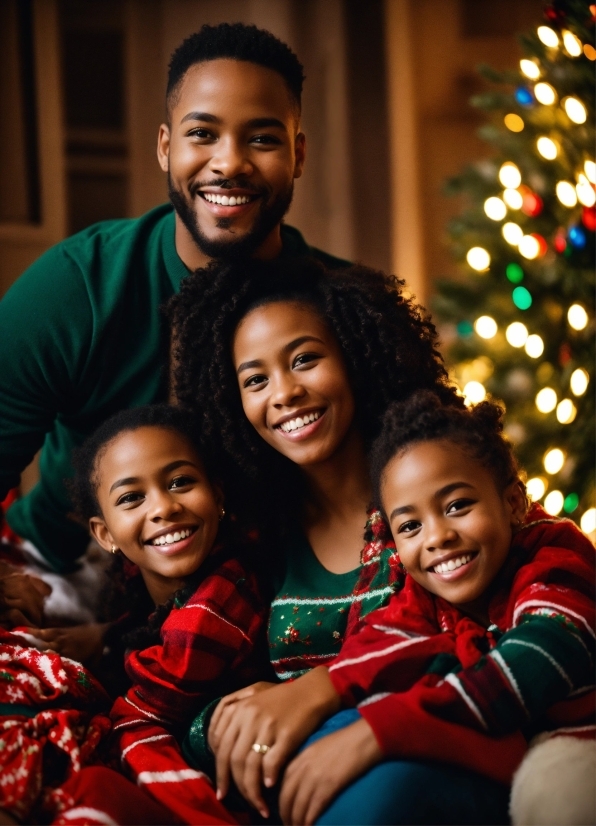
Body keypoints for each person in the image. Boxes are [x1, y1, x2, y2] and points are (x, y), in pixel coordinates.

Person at [0, 22, 347, 574]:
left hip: (266, 576)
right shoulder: (76, 288)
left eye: (261, 138)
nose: (229, 162)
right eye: (202, 134)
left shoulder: (341, 306)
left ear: (298, 154)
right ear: (166, 147)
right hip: (69, 568)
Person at [212, 390, 595, 825]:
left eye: (457, 506)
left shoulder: (555, 556)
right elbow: (378, 647)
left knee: (556, 799)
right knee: (338, 732)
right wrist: (315, 692)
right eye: (411, 525)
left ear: (513, 503)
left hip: (576, 742)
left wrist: (382, 732)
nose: (437, 537)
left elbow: (538, 656)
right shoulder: (423, 594)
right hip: (503, 742)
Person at [167, 256, 462, 813]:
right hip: (298, 785)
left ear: (354, 356)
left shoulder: (441, 489)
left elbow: (492, 644)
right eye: (255, 379)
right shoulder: (256, 539)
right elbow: (188, 699)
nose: (284, 393)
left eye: (304, 359)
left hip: (419, 770)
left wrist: (314, 696)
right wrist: (233, 719)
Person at [65, 403, 273, 824]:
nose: (163, 507)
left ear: (217, 495)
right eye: (131, 498)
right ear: (105, 534)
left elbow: (145, 706)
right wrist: (103, 638)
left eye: (180, 482)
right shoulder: (145, 598)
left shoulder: (222, 597)